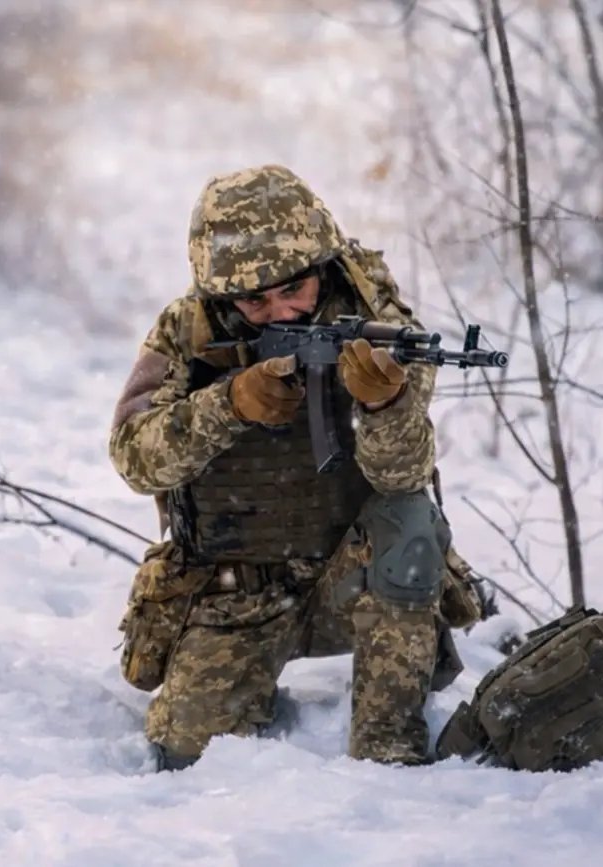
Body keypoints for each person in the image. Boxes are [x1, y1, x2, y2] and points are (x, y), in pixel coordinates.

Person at [108, 164, 485, 770]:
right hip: (235, 589)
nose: (281, 312)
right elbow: (134, 458)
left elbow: (402, 477)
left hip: (348, 578)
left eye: (294, 290)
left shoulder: (377, 320)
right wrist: (229, 405)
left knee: (410, 520)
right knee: (186, 754)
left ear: (322, 267)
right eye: (254, 301)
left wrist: (384, 406)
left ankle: (389, 741)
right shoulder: (187, 330)